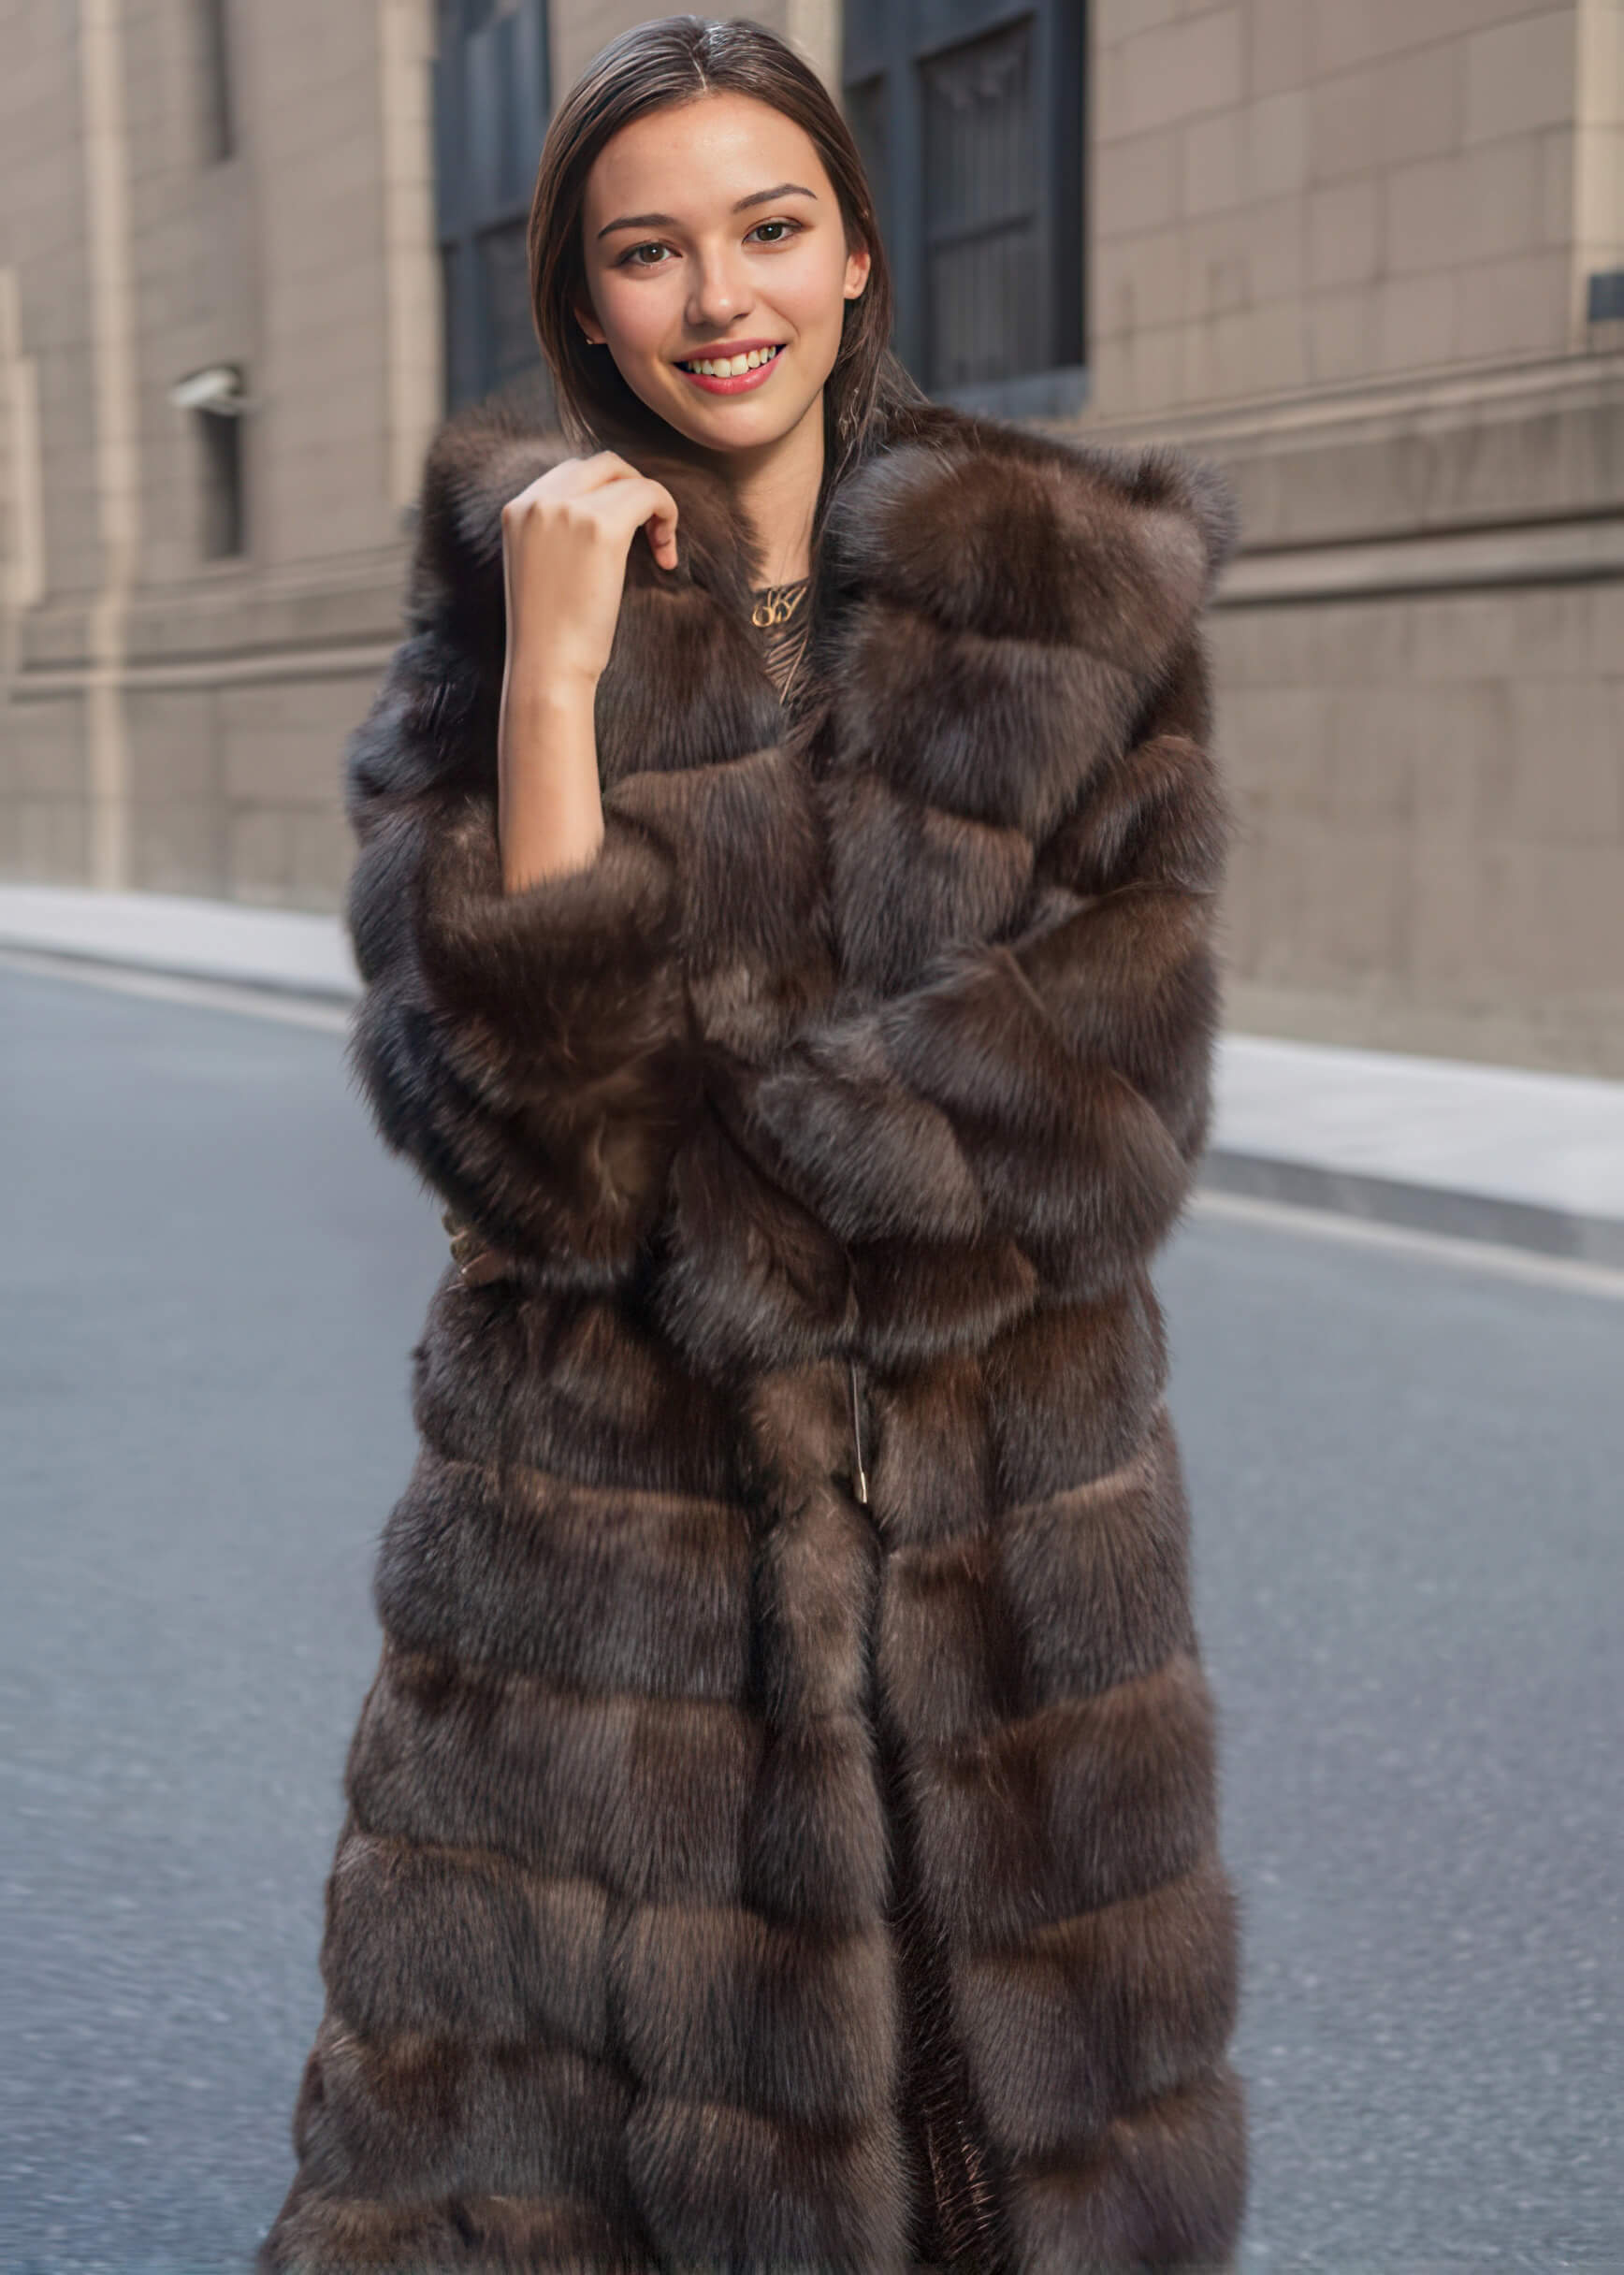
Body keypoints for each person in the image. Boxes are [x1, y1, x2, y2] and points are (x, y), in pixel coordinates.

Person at [260, 15, 1249, 2272]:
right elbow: (519, 1149)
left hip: (1000, 1540)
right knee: (576, 2179)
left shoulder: (1074, 600)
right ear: (580, 303)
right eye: (647, 251)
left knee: (1000, 2164)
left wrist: (696, 1190)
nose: (720, 301)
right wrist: (545, 683)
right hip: (605, 1572)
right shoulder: (495, 617)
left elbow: (1092, 1115)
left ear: (859, 252)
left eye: (768, 229)